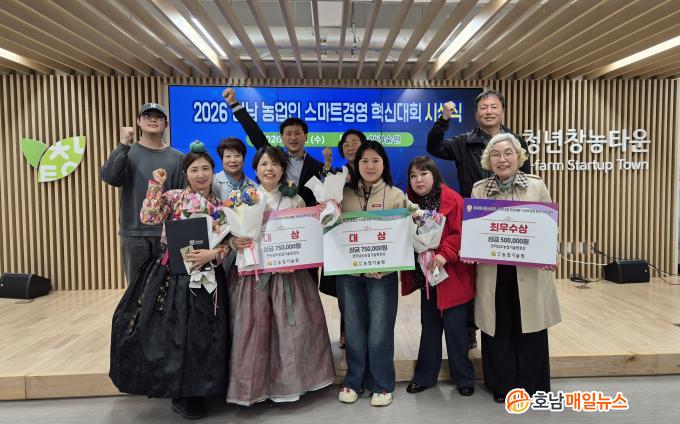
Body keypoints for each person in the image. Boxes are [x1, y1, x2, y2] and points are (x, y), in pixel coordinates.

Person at [109, 142, 230, 420]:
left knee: (203, 334)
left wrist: (213, 253)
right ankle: (179, 391)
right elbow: (148, 216)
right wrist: (156, 185)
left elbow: (228, 242)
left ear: (213, 172)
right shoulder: (174, 196)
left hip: (207, 276)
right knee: (174, 333)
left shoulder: (221, 206)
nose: (201, 174)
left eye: (206, 169)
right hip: (171, 273)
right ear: (186, 173)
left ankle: (200, 389)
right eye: (194, 169)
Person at [226, 145, 335, 406]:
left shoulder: (294, 200)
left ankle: (292, 384)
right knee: (255, 331)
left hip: (290, 277)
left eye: (275, 164)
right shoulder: (242, 199)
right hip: (254, 276)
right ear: (255, 169)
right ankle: (255, 388)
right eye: (264, 164)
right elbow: (229, 234)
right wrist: (233, 242)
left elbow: (306, 235)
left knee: (291, 331)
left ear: (283, 169)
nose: (269, 169)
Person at [427, 89, 530, 350]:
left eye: (494, 106)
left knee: (506, 276)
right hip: (474, 219)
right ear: (475, 114)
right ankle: (471, 329)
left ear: (502, 111)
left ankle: (506, 329)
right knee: (474, 275)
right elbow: (434, 147)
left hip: (509, 220)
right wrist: (444, 119)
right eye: (484, 107)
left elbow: (526, 180)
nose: (489, 111)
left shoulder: (516, 141)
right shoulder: (464, 141)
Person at [470, 133, 561, 404]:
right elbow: (475, 229)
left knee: (531, 326)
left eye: (508, 153)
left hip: (529, 270)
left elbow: (549, 226)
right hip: (494, 270)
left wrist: (551, 252)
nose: (502, 159)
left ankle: (533, 385)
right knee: (498, 327)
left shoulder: (536, 186)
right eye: (495, 154)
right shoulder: (479, 190)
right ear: (488, 160)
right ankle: (503, 385)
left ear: (519, 156)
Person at [336, 140, 409, 407]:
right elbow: (332, 232)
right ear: (356, 164)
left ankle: (382, 383)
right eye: (364, 161)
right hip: (349, 275)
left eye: (375, 160)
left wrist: (387, 266)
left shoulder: (396, 195)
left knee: (380, 330)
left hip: (383, 276)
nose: (369, 166)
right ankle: (354, 380)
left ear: (384, 164)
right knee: (354, 330)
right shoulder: (342, 195)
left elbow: (404, 238)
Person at [401, 156, 476, 397]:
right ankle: (425, 376)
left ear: (434, 175)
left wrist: (444, 254)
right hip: (427, 278)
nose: (418, 180)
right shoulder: (408, 203)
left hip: (452, 276)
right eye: (413, 175)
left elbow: (461, 233)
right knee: (429, 328)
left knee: (456, 330)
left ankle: (464, 377)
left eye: (423, 174)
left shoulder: (453, 199)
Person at [100, 103, 185, 287]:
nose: (153, 119)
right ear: (138, 121)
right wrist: (123, 144)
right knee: (136, 290)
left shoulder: (178, 157)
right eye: (147, 116)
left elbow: (181, 199)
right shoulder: (127, 152)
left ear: (166, 124)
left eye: (158, 116)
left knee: (167, 290)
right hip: (134, 233)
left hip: (167, 234)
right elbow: (109, 177)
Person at [222, 88, 325, 206]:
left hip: (305, 213)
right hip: (274, 210)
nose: (293, 138)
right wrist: (233, 103)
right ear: (281, 137)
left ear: (305, 136)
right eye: (288, 134)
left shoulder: (317, 166)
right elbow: (254, 132)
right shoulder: (275, 156)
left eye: (297, 133)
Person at [318, 128, 368, 349]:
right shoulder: (339, 172)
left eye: (354, 142)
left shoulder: (372, 169)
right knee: (346, 292)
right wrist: (328, 165)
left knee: (369, 290)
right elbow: (325, 191)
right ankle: (346, 331)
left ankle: (366, 334)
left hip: (369, 237)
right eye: (345, 144)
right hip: (344, 238)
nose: (350, 146)